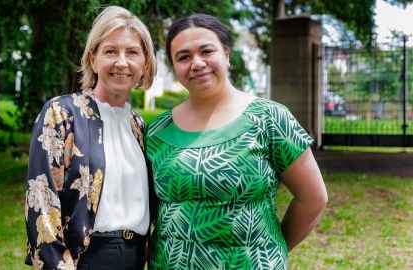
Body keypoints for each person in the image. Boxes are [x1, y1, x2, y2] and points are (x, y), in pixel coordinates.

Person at [146, 14, 328, 269]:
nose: (197, 63)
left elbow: (313, 198)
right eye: (183, 57)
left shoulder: (270, 118)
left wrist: (272, 249)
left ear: (227, 55)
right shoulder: (157, 130)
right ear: (175, 68)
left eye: (206, 51)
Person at [24, 6, 157, 270]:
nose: (122, 62)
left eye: (132, 52)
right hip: (83, 260)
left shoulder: (139, 126)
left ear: (145, 63)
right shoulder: (62, 113)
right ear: (93, 58)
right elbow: (40, 199)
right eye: (110, 51)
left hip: (135, 257)